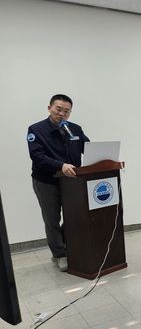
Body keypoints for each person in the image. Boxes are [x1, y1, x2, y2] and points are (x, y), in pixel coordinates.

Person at [27, 94, 90, 272]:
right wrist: (60, 165)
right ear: (49, 108)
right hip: (47, 181)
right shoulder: (36, 129)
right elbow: (37, 156)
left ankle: (67, 245)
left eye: (66, 111)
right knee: (52, 219)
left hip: (72, 182)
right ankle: (59, 254)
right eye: (58, 109)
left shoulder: (75, 129)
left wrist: (103, 158)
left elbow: (88, 147)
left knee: (73, 216)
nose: (62, 114)